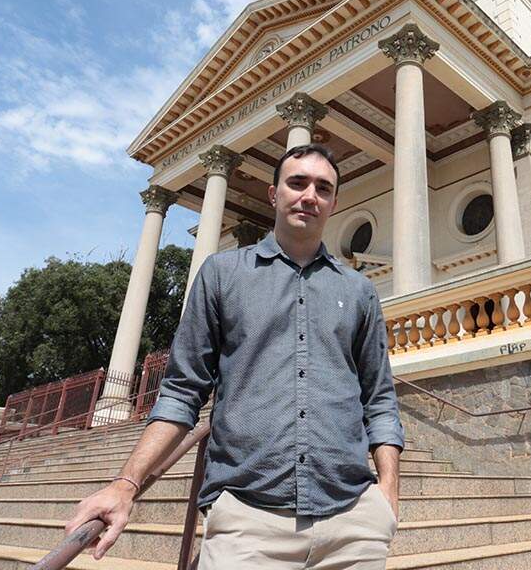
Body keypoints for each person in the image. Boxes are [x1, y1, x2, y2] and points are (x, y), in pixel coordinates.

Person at [65, 143, 404, 568]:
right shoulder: (223, 275)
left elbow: (379, 398)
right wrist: (126, 484)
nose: (309, 196)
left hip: (353, 524)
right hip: (248, 522)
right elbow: (182, 391)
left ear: (333, 201)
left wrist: (387, 490)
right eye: (297, 183)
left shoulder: (358, 291)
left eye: (323, 188)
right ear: (273, 193)